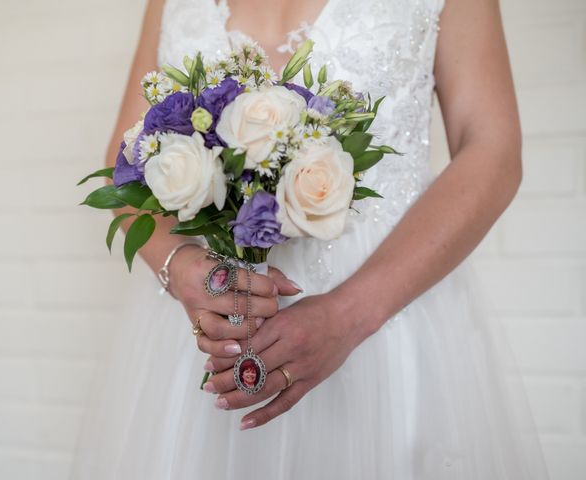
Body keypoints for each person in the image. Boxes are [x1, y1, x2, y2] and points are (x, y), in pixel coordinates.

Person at [71, 0, 550, 478]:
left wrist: (350, 313)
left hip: (388, 312)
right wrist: (178, 266)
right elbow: (125, 164)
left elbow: (493, 148)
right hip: (212, 327)